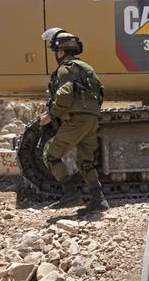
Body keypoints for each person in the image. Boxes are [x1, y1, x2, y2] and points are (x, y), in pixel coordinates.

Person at [39, 28, 109, 214]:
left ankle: (70, 194)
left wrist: (51, 115)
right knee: (85, 161)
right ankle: (98, 200)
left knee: (52, 156)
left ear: (60, 51)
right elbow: (100, 94)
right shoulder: (87, 69)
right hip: (91, 120)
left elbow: (64, 96)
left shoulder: (65, 69)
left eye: (55, 51)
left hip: (76, 120)